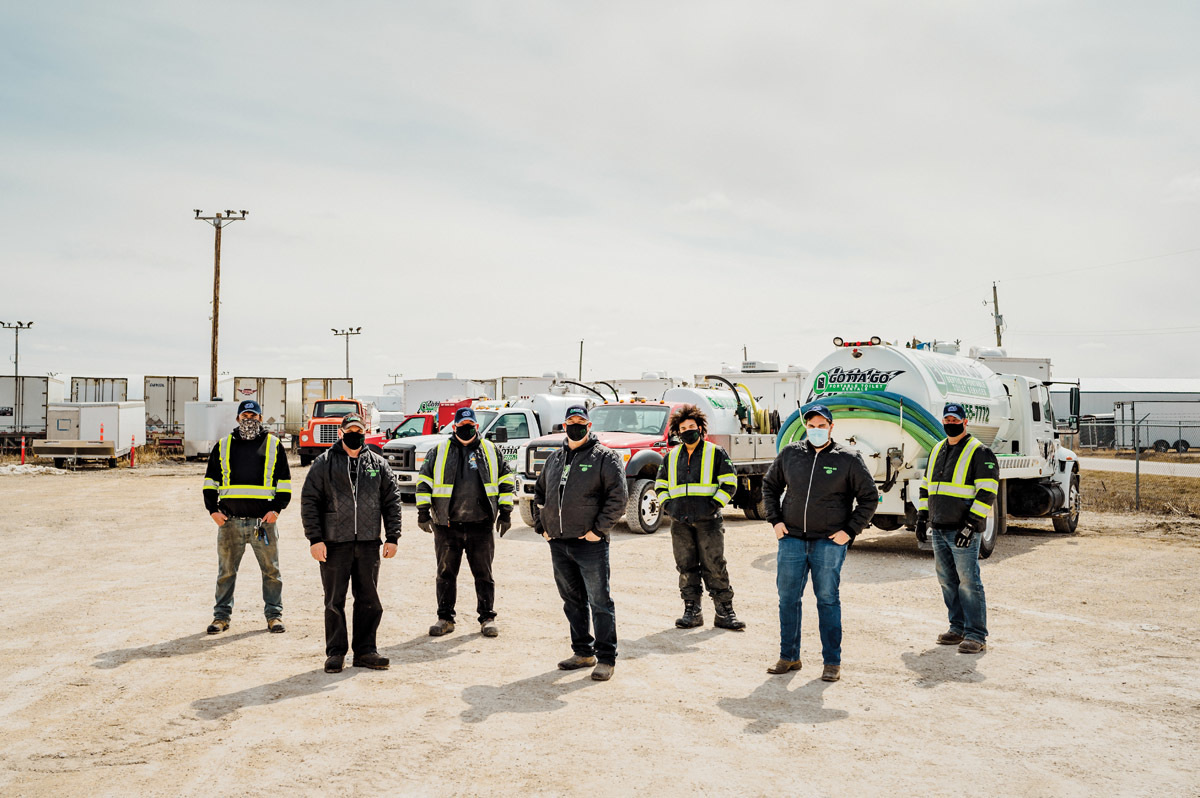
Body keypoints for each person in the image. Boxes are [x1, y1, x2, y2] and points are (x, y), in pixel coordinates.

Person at [762, 403, 877, 682]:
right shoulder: (790, 454)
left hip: (828, 542)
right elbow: (770, 486)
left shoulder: (848, 459)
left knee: (827, 600)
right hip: (791, 540)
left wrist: (849, 531)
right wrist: (775, 521)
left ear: (831, 427)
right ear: (806, 427)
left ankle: (831, 662)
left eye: (821, 426)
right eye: (811, 426)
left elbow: (869, 497)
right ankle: (789, 656)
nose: (816, 430)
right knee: (788, 599)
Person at [301, 413, 402, 673]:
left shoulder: (378, 463)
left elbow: (392, 501)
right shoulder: (323, 463)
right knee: (334, 601)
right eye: (350, 430)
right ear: (341, 433)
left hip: (368, 543)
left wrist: (393, 536)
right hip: (334, 542)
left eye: (359, 430)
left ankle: (366, 651)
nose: (354, 435)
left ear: (365, 432)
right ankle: (336, 653)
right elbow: (310, 501)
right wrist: (315, 539)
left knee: (369, 599)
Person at [532, 405, 627, 681]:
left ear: (589, 425)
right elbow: (539, 495)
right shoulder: (554, 459)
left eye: (580, 421)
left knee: (600, 601)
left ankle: (606, 658)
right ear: (564, 426)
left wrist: (598, 530)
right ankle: (583, 652)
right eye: (571, 421)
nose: (575, 425)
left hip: (590, 544)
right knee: (572, 601)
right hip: (559, 543)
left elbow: (618, 498)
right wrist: (542, 528)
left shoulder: (605, 457)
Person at [415, 407, 515, 638]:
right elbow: (424, 481)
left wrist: (506, 512)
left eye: (470, 425)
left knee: (484, 574)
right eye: (462, 425)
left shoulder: (491, 450)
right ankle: (445, 618)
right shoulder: (439, 451)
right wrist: (422, 512)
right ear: (454, 427)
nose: (466, 429)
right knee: (445, 574)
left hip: (481, 524)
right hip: (447, 526)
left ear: (477, 426)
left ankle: (487, 618)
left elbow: (506, 480)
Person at [202, 399, 291, 635]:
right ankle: (221, 618)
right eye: (245, 416)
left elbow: (284, 482)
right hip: (230, 523)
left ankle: (274, 616)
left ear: (260, 418)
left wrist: (277, 510)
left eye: (253, 416)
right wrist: (212, 510)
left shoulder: (274, 445)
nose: (249, 419)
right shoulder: (223, 446)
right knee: (226, 573)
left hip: (263, 523)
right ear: (237, 418)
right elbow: (210, 481)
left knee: (271, 572)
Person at [916, 403, 999, 655]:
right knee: (947, 580)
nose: (950, 423)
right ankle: (957, 627)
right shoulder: (937, 449)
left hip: (963, 530)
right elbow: (926, 486)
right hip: (939, 527)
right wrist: (922, 517)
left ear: (965, 422)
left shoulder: (979, 451)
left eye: (955, 419)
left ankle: (976, 634)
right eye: (947, 419)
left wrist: (971, 525)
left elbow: (987, 491)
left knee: (968, 581)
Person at [655, 403, 745, 631]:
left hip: (708, 521)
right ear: (678, 432)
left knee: (714, 564)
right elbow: (660, 485)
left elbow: (730, 483)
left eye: (691, 426)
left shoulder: (716, 453)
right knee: (685, 566)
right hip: (680, 522)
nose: (688, 431)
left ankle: (725, 612)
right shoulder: (671, 456)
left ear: (700, 428)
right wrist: (668, 506)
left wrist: (713, 505)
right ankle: (692, 611)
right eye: (683, 428)